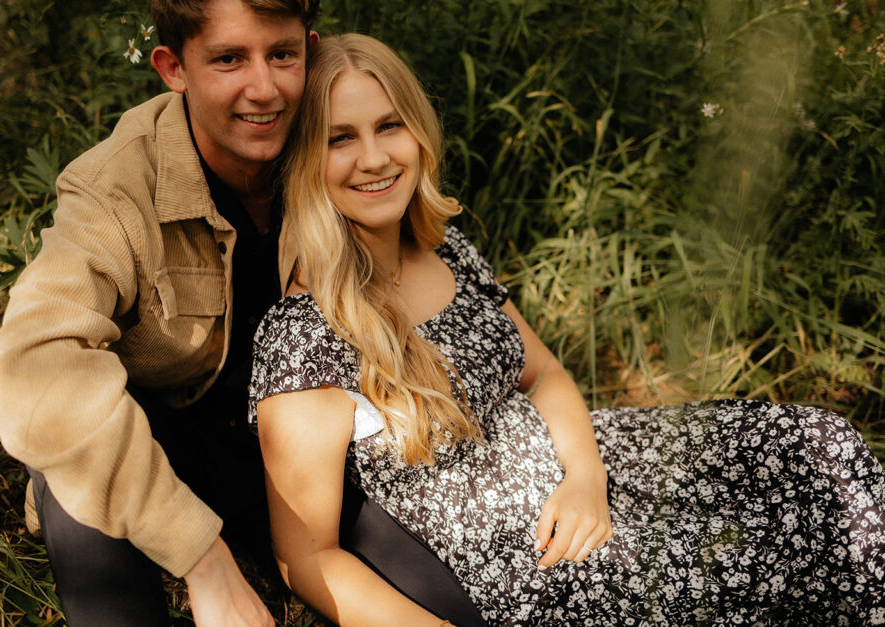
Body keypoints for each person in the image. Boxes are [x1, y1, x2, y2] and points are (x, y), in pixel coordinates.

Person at [248, 33, 885, 626]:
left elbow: (545, 372)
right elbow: (307, 558)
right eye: (340, 139)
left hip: (592, 467)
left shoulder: (444, 251)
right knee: (771, 559)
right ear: (307, 160)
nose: (374, 158)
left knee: (820, 446)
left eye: (390, 126)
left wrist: (585, 478)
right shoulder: (305, 337)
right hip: (538, 559)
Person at [0, 0, 483, 625]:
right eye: (228, 59)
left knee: (457, 606)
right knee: (76, 474)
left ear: (311, 49)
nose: (264, 88)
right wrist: (202, 556)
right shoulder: (115, 187)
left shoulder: (333, 141)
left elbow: (425, 256)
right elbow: (28, 370)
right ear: (172, 67)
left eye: (282, 54)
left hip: (299, 445)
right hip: (154, 447)